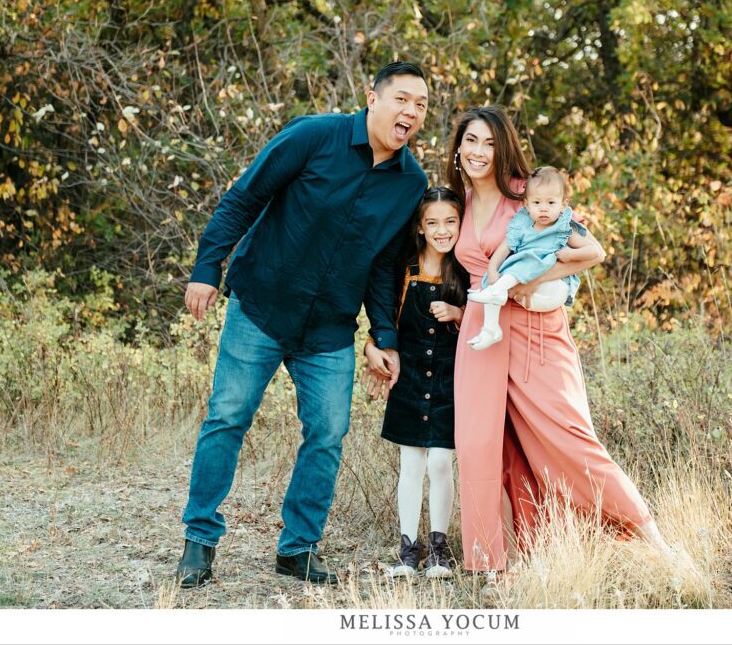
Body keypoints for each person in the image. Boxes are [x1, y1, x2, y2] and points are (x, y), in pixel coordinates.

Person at [175, 62, 430, 588]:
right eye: (402, 99)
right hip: (262, 307)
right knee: (227, 418)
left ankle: (298, 548)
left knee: (328, 433)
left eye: (421, 105)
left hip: (330, 328)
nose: (411, 111)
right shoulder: (314, 135)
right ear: (373, 98)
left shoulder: (411, 183)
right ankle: (199, 541)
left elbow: (384, 264)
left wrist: (383, 335)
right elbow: (244, 197)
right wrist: (207, 268)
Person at [445, 105, 677, 576]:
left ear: (504, 148)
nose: (479, 151)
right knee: (481, 445)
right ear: (458, 147)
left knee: (569, 439)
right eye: (471, 140)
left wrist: (533, 279)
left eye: (490, 142)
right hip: (481, 331)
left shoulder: (529, 197)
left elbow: (592, 253)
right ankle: (495, 561)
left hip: (536, 332)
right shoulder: (458, 202)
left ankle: (653, 540)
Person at [363, 186, 467, 578]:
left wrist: (459, 313)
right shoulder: (405, 269)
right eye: (433, 223)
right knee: (411, 464)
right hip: (409, 379)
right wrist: (372, 347)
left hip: (448, 380)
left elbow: (484, 320)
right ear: (420, 227)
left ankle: (439, 548)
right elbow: (386, 318)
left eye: (450, 221)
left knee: (440, 462)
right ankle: (408, 549)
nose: (442, 230)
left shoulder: (465, 269)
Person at [467, 166, 601, 350]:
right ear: (526, 204)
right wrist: (492, 270)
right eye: (537, 202)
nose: (543, 208)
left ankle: (497, 291)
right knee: (496, 279)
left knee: (527, 260)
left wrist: (570, 254)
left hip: (552, 290)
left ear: (563, 205)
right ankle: (490, 329)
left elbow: (594, 252)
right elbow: (504, 248)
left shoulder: (562, 228)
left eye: (551, 203)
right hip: (524, 294)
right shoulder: (522, 224)